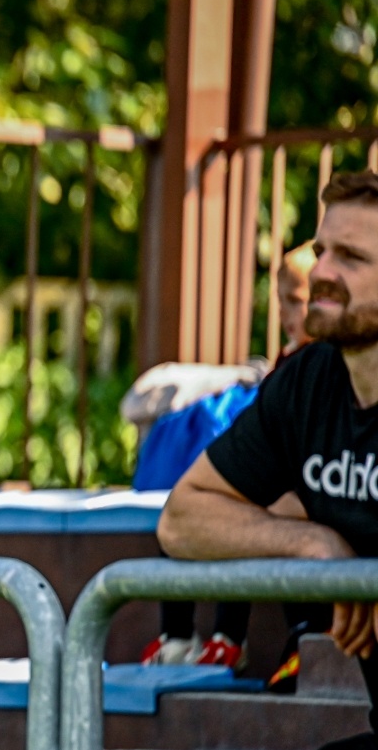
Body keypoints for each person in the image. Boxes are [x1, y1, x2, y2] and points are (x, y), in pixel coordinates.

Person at [158, 171, 378, 711]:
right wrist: (316, 545)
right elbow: (182, 518)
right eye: (322, 250)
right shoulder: (307, 381)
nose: (321, 273)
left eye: (351, 257)